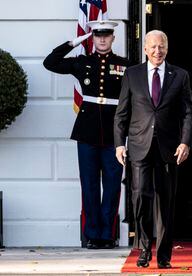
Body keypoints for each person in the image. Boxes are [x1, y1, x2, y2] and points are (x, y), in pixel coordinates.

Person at [43, 20, 130, 249]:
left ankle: (108, 235)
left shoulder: (125, 65)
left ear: (113, 38)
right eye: (98, 35)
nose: (102, 39)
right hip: (87, 131)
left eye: (106, 35)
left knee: (112, 186)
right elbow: (50, 63)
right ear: (92, 38)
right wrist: (74, 42)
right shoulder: (82, 62)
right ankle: (92, 234)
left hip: (114, 134)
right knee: (89, 185)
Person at [113, 30, 192, 269]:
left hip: (169, 148)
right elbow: (122, 113)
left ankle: (163, 255)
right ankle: (143, 247)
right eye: (153, 47)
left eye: (162, 47)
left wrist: (185, 142)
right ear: (145, 49)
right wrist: (119, 143)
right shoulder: (132, 74)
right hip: (139, 147)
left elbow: (189, 113)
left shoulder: (180, 76)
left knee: (165, 203)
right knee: (140, 198)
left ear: (167, 49)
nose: (157, 51)